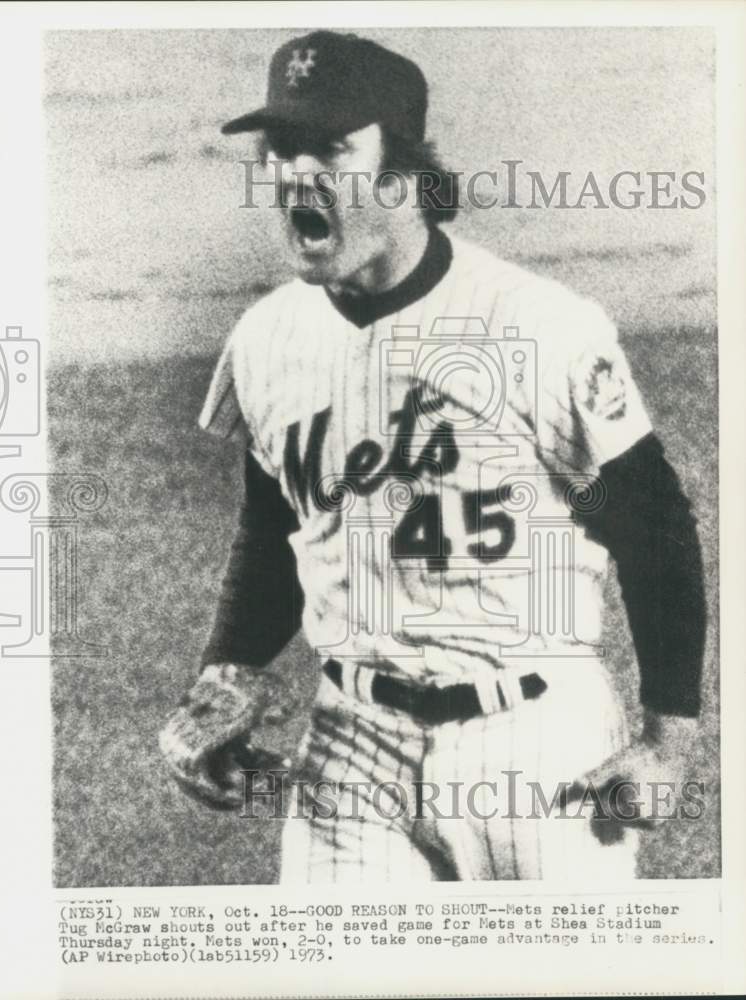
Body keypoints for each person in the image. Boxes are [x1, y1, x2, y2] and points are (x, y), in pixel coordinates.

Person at [160, 30, 706, 882]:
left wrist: (668, 742)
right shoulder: (267, 338)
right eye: (280, 151)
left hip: (537, 739)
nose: (296, 173)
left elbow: (653, 527)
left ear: (405, 174)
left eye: (330, 148)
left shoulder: (536, 325)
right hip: (348, 742)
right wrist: (221, 681)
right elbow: (275, 532)